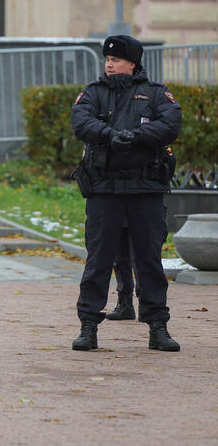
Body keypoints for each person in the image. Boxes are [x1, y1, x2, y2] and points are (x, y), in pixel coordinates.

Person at [70, 35, 181, 352]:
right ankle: (88, 325)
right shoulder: (94, 92)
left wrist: (135, 137)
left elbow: (171, 123)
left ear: (132, 63)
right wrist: (110, 135)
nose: (109, 63)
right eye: (106, 59)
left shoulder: (156, 94)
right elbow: (81, 122)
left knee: (149, 261)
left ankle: (157, 327)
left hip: (145, 189)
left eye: (116, 59)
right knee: (98, 261)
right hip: (104, 190)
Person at [105, 224, 137, 320]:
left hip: (143, 214)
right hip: (118, 216)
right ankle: (125, 305)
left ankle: (148, 307)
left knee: (143, 261)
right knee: (120, 258)